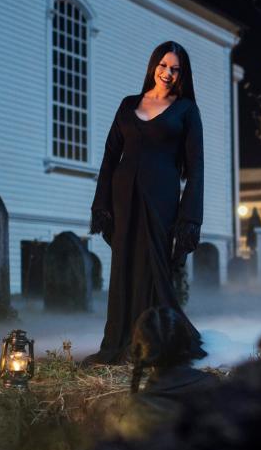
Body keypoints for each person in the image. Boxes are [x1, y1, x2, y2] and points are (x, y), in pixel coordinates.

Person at [82, 41, 208, 366]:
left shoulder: (186, 110)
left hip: (162, 198)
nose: (168, 73)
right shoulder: (128, 104)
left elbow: (196, 169)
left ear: (182, 74)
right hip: (124, 197)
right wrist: (102, 205)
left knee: (155, 269)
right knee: (124, 264)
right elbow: (110, 157)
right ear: (154, 65)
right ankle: (120, 342)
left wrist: (189, 218)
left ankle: (159, 341)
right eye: (163, 65)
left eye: (175, 69)